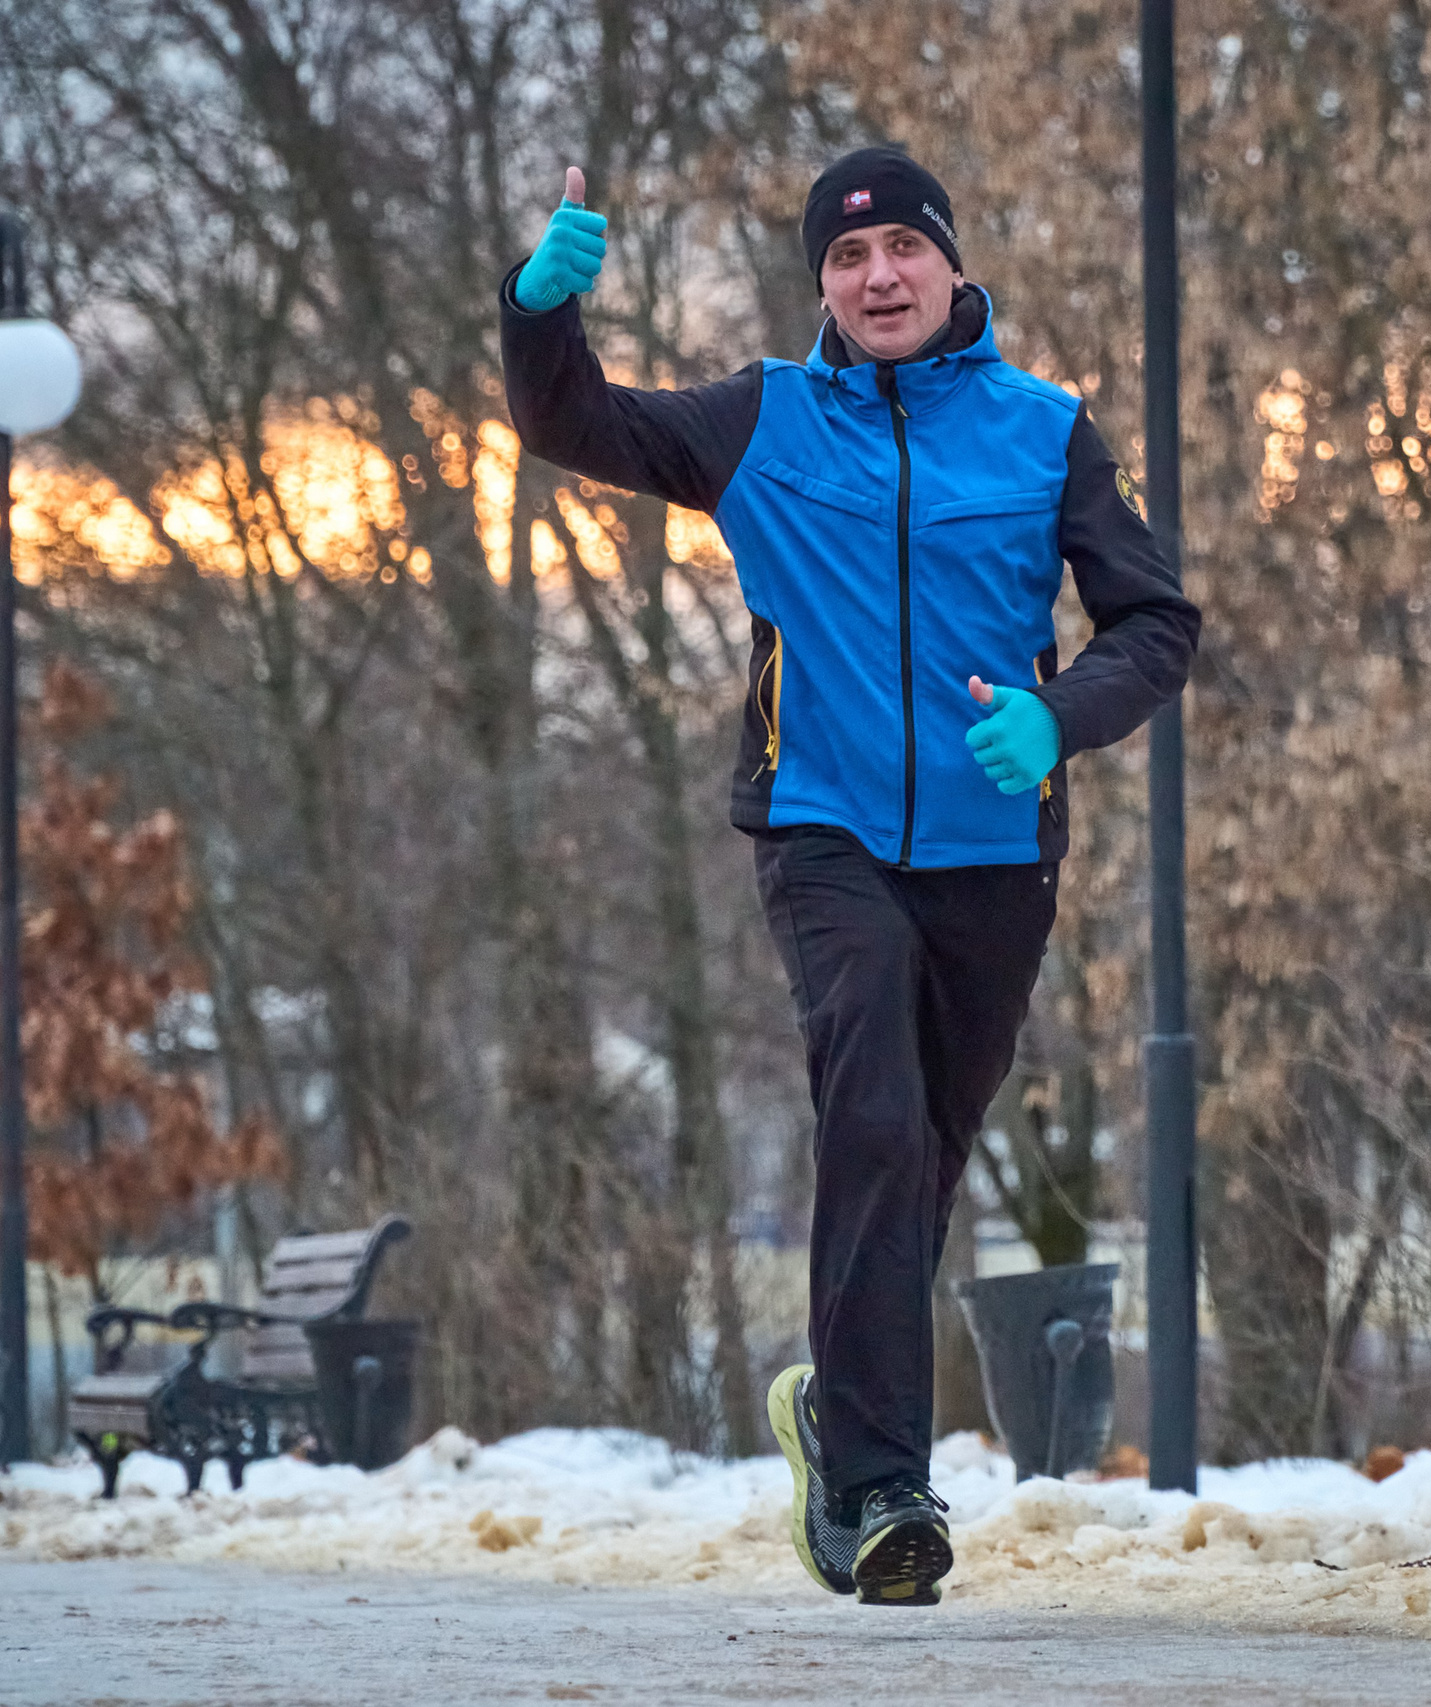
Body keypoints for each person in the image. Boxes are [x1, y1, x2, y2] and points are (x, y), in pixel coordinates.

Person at [499, 145, 1198, 1607]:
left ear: (952, 270)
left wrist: (1054, 716)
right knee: (867, 1097)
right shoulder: (762, 419)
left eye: (903, 255)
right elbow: (572, 420)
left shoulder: (1045, 430)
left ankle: (835, 1409)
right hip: (820, 830)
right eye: (846, 260)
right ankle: (884, 1485)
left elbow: (1155, 626)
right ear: (822, 284)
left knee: (922, 1156)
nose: (878, 280)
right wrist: (539, 310)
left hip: (997, 851)